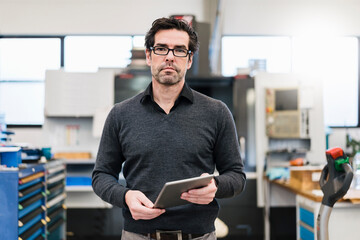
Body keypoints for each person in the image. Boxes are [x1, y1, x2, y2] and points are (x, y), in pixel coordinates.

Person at [92, 17, 246, 240]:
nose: (170, 57)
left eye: (180, 50)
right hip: (138, 235)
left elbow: (237, 176)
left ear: (189, 59)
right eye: (162, 48)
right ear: (149, 55)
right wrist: (125, 196)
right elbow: (101, 176)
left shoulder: (216, 112)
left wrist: (216, 186)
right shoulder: (120, 114)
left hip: (199, 236)